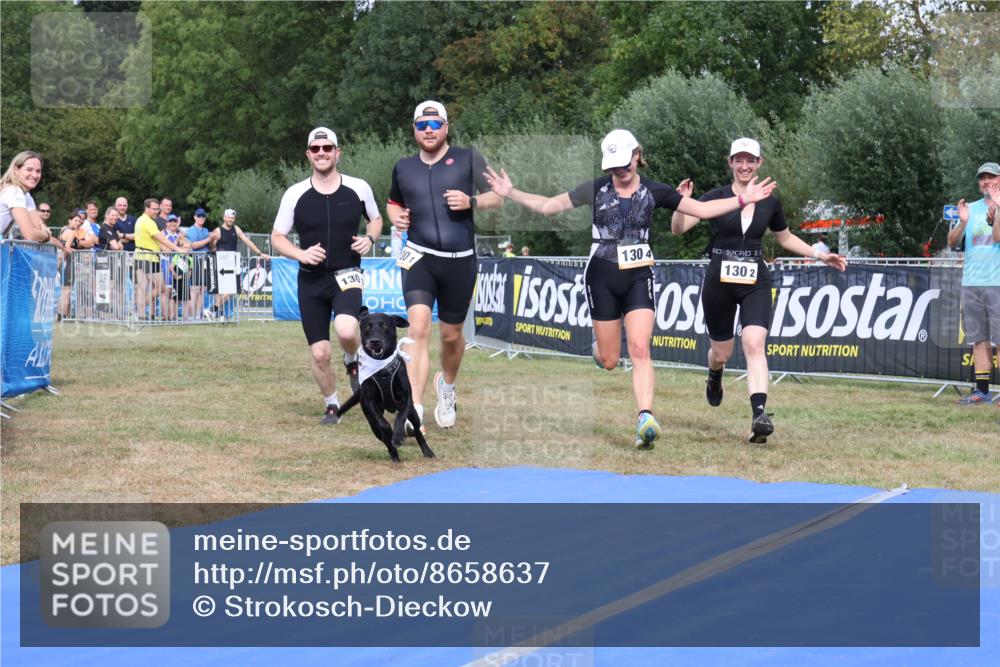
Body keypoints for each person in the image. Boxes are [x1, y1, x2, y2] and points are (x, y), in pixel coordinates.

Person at [485, 129, 779, 448]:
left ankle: (645, 418)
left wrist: (742, 199)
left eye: (624, 166)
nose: (619, 173)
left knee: (640, 349)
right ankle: (600, 349)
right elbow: (548, 207)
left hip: (639, 275)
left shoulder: (656, 191)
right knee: (610, 359)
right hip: (601, 274)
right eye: (613, 168)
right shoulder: (595, 190)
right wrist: (511, 192)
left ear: (637, 156)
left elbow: (703, 211)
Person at [670, 137, 847, 443]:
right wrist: (680, 203)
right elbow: (679, 229)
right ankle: (714, 374)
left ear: (759, 163)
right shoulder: (716, 197)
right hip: (719, 281)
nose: (744, 165)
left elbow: (785, 238)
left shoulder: (769, 201)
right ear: (730, 163)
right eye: (738, 160)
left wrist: (821, 255)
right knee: (722, 352)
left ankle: (759, 416)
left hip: (755, 280)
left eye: (750, 160)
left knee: (754, 342)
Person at [387, 100, 502, 430]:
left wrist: (472, 201)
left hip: (460, 261)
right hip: (419, 258)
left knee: (451, 336)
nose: (428, 130)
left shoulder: (468, 158)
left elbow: (497, 197)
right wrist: (398, 219)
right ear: (414, 130)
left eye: (435, 124)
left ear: (446, 127)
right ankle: (415, 409)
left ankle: (447, 387)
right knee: (418, 328)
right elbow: (393, 203)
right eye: (422, 125)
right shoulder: (403, 167)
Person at [271, 127, 383, 424]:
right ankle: (333, 405)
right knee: (320, 354)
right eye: (316, 148)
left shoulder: (359, 188)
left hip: (347, 274)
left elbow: (376, 219)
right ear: (308, 155)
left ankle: (351, 359)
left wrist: (370, 239)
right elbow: (277, 237)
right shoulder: (294, 194)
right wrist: (301, 254)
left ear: (337, 152)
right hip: (311, 281)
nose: (322, 152)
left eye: (327, 148)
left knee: (347, 331)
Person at [947, 161, 1000, 405]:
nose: (986, 182)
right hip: (971, 282)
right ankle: (982, 391)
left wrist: (997, 212)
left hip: (997, 283)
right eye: (982, 178)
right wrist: (963, 222)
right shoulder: (971, 208)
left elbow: (998, 237)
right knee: (979, 339)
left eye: (991, 177)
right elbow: (951, 242)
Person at [204, 208, 269, 321]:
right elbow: (211, 247)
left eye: (232, 218)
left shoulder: (236, 229)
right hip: (221, 263)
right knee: (223, 291)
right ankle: (218, 314)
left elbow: (247, 242)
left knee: (230, 290)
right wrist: (212, 240)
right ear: (224, 218)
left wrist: (260, 253)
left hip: (232, 263)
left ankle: (212, 311)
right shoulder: (218, 230)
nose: (230, 220)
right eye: (228, 217)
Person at [134, 198, 185, 320]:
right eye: (154, 209)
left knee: (142, 287)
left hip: (139, 255)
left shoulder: (140, 220)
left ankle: (140, 315)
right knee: (162, 288)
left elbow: (156, 239)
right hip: (149, 257)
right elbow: (162, 238)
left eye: (157, 209)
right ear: (146, 208)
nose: (156, 211)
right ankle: (139, 308)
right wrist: (178, 249)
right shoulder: (149, 222)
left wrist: (163, 248)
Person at [0, 151, 53, 243]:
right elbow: (30, 234)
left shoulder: (25, 195)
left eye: (38, 171)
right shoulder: (14, 191)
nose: (34, 175)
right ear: (16, 170)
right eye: (29, 170)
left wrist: (64, 247)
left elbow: (37, 226)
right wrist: (46, 235)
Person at [58, 211, 97, 319]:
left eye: (79, 221)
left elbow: (91, 243)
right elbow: (66, 248)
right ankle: (62, 316)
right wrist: (62, 263)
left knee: (65, 291)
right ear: (69, 220)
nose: (78, 223)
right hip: (68, 263)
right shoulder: (70, 232)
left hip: (67, 263)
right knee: (66, 291)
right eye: (75, 220)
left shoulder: (65, 230)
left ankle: (65, 316)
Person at [185, 208, 213, 319]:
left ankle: (198, 314)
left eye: (203, 216)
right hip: (196, 260)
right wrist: (209, 239)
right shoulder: (192, 230)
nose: (201, 218)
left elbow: (209, 246)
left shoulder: (205, 230)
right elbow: (194, 245)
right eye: (199, 216)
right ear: (195, 217)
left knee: (203, 288)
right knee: (195, 289)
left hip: (205, 260)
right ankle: (192, 315)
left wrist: (213, 238)